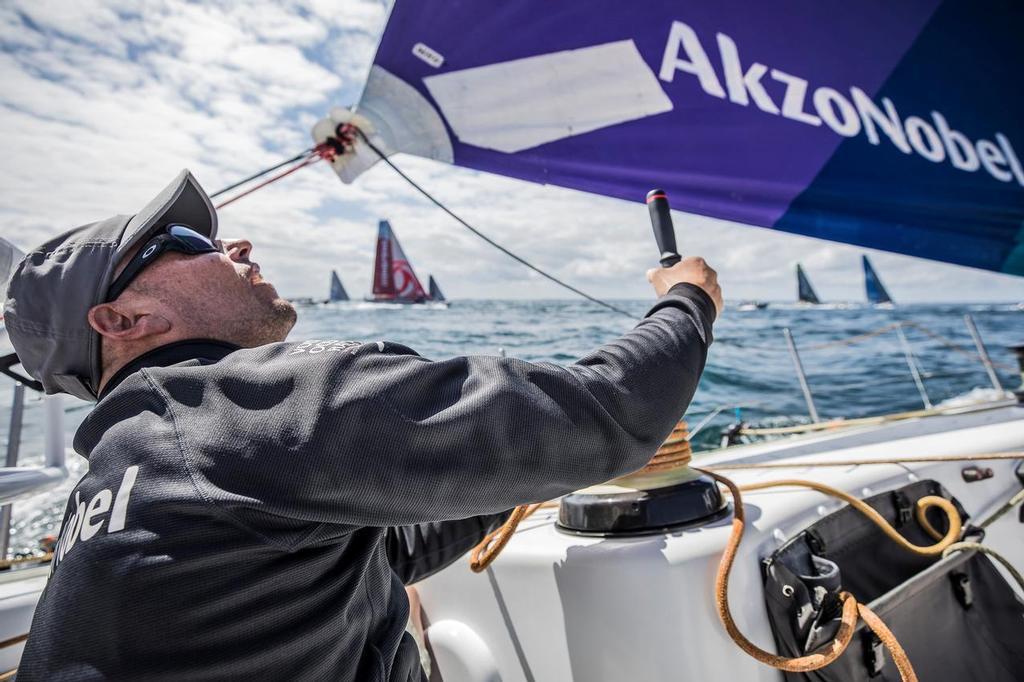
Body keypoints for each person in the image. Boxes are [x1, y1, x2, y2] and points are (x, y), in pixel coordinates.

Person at [4, 170, 722, 681]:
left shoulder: (127, 460)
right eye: (188, 240)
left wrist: (510, 473)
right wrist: (688, 299)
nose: (237, 246)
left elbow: (371, 556)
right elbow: (602, 413)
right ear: (125, 321)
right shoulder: (246, 407)